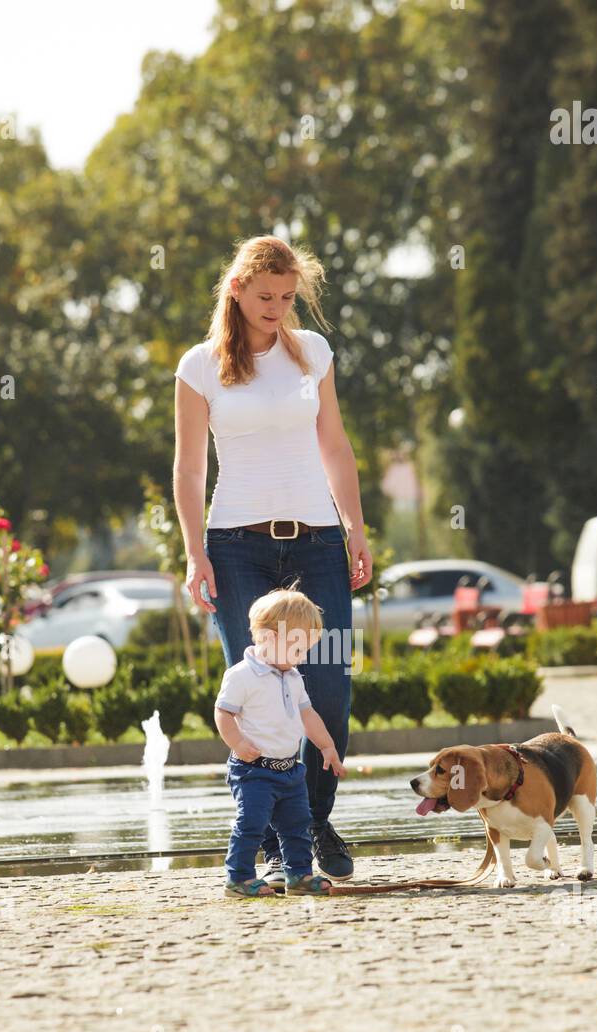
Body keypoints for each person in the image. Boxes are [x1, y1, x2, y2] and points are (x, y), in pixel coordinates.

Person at [173, 234, 373, 890]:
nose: (277, 307)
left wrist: (356, 529)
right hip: (236, 547)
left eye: (288, 298)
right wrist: (194, 550)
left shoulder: (313, 353)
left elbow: (336, 446)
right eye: (265, 296)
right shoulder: (201, 366)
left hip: (317, 540)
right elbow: (190, 466)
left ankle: (312, 821)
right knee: (257, 685)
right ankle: (260, 833)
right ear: (236, 289)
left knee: (329, 683)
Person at [215, 585, 346, 899]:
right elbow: (223, 712)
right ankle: (239, 877)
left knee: (297, 825)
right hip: (253, 770)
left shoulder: (293, 676)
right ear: (271, 638)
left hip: (290, 770)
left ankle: (299, 874)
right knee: (252, 824)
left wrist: (326, 745)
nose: (301, 658)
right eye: (297, 650)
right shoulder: (241, 675)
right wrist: (237, 743)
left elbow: (307, 714)